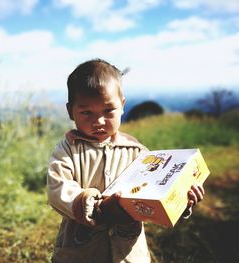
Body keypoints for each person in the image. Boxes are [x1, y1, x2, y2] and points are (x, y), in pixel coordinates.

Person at [46, 58, 205, 263]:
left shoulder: (138, 152)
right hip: (82, 253)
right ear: (71, 111)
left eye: (108, 111)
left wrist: (182, 198)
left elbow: (157, 190)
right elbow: (58, 189)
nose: (99, 121)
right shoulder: (68, 149)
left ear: (122, 106)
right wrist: (96, 208)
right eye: (86, 112)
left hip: (129, 253)